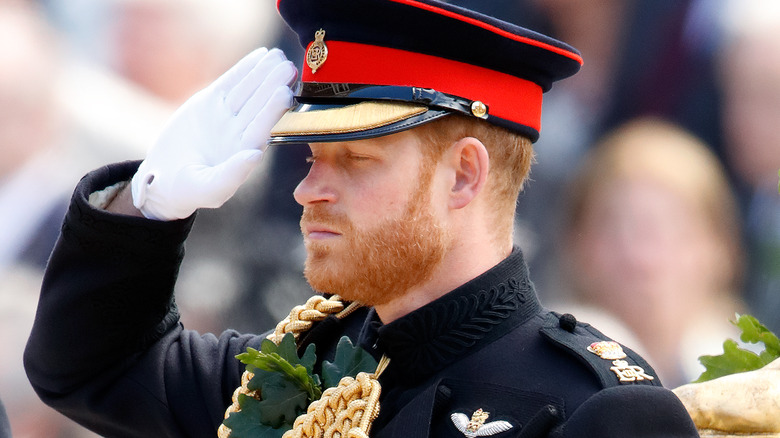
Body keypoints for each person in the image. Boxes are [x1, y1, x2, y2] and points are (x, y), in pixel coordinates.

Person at [24, 0, 698, 437]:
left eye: (354, 159)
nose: (309, 189)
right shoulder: (297, 370)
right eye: (313, 156)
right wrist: (148, 203)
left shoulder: (597, 411)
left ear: (464, 174)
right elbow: (87, 368)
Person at [556, 117, 745, 388]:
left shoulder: (756, 377)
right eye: (615, 229)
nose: (640, 258)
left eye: (674, 229)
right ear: (576, 243)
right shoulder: (547, 371)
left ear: (721, 248)